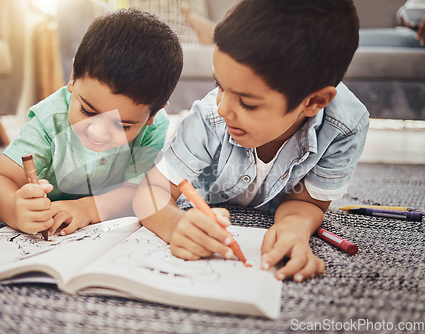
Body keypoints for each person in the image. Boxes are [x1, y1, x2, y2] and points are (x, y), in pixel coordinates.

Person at [133, 0, 369, 282]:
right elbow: (150, 192)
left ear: (314, 102)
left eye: (246, 103)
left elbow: (309, 202)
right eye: (219, 85)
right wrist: (175, 225)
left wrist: (295, 225)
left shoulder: (344, 127)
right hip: (209, 198)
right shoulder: (209, 116)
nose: (223, 108)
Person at [0, 9, 183, 237]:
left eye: (122, 126)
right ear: (73, 76)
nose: (97, 132)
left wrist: (86, 209)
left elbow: (138, 192)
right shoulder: (50, 119)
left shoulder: (153, 127)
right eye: (87, 110)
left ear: (153, 114)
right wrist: (14, 209)